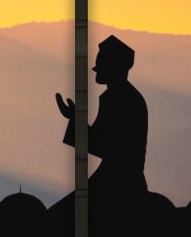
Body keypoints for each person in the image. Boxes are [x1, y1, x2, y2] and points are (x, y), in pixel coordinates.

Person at [57, 34, 148, 196]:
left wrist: (76, 120)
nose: (96, 70)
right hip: (121, 178)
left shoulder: (116, 99)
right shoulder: (124, 96)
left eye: (101, 65)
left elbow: (101, 146)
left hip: (116, 182)